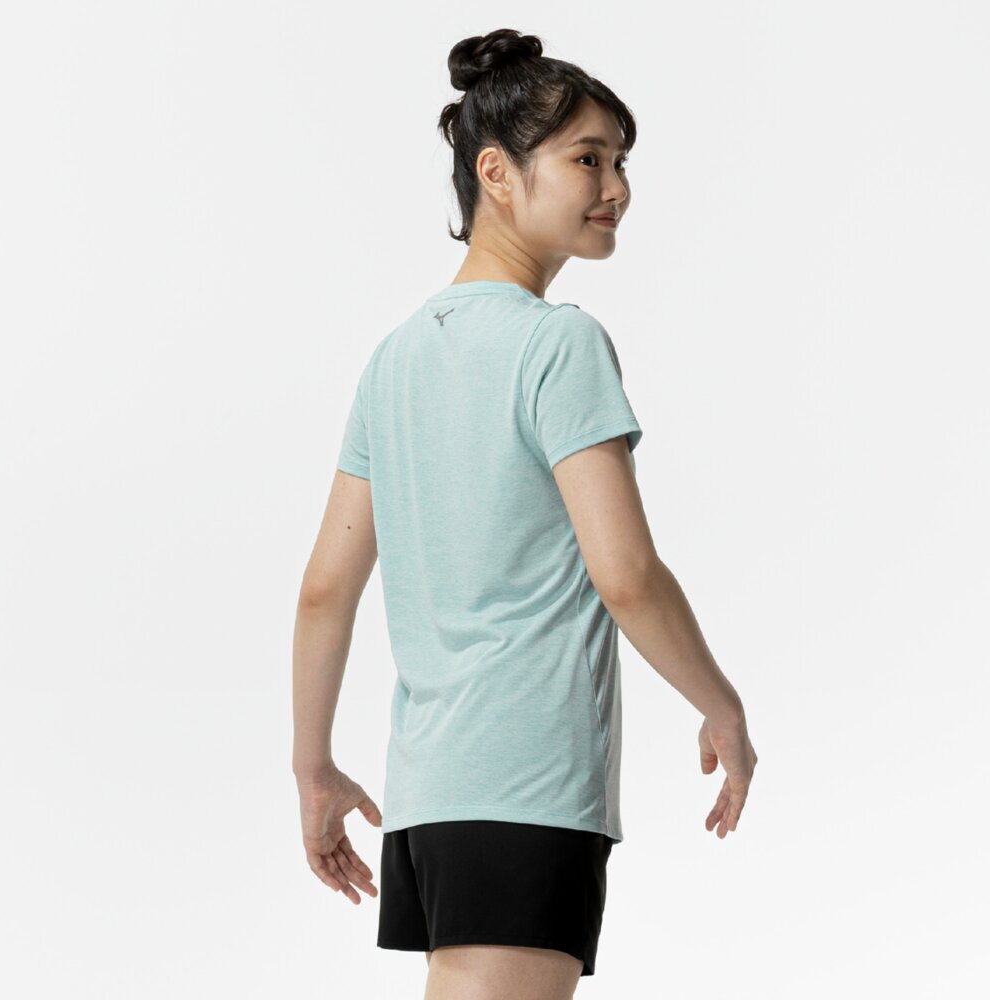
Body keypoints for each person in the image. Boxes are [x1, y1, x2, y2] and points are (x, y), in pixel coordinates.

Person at [291, 27, 758, 998]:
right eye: (588, 159)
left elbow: (325, 590)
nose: (615, 186)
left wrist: (314, 767)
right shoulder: (559, 347)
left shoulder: (394, 359)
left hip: (431, 794)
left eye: (621, 162)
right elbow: (625, 574)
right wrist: (721, 705)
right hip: (525, 785)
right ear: (495, 172)